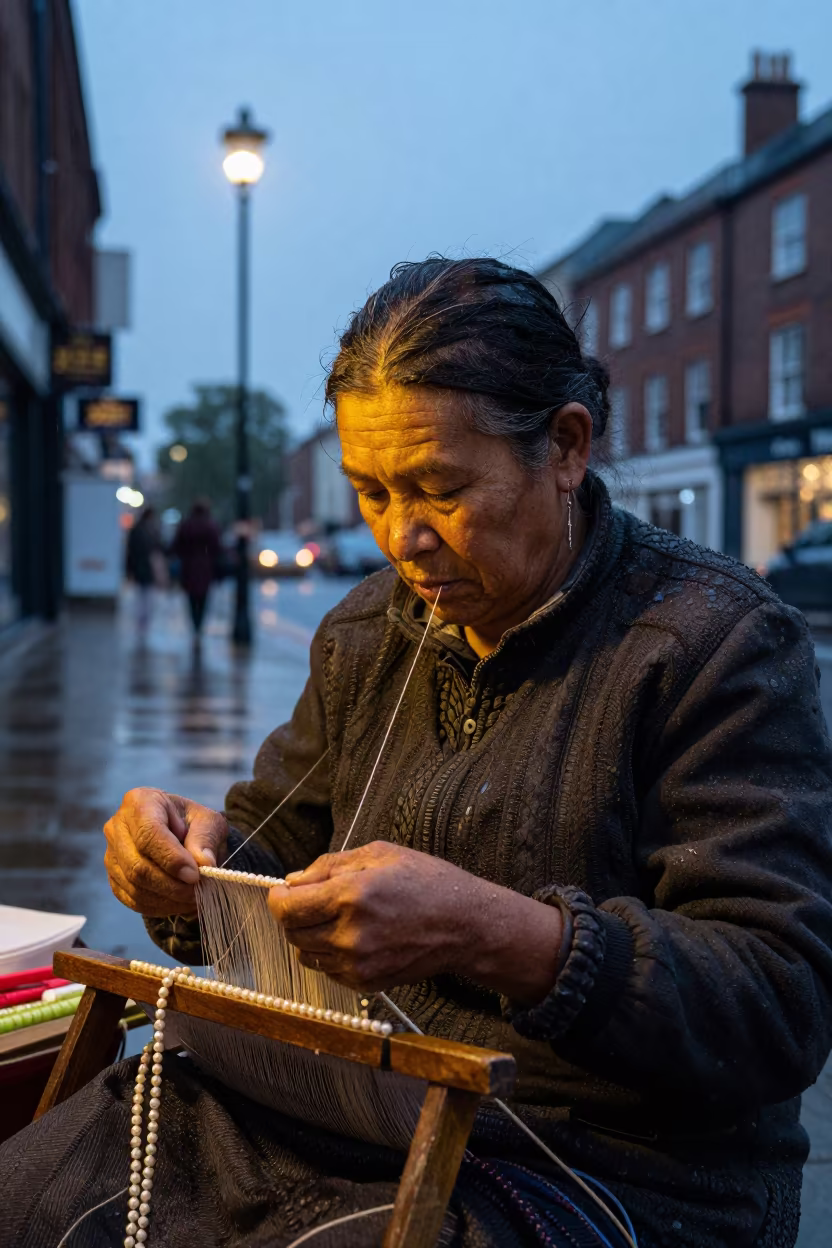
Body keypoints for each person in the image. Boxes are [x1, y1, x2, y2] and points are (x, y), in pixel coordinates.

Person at [2, 257, 832, 1248]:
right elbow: (272, 852)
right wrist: (193, 870)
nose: (403, 538)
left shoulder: (714, 643)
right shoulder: (367, 633)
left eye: (439, 489)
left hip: (613, 1168)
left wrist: (502, 936)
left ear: (565, 446)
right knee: (45, 1180)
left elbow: (780, 1000)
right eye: (369, 493)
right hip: (353, 1108)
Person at [172, 499, 222, 641]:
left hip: (189, 568)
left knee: (192, 600)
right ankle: (199, 627)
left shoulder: (187, 525)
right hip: (206, 569)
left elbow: (177, 546)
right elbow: (217, 548)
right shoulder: (210, 526)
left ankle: (195, 627)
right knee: (203, 599)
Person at [125, 506, 164, 635]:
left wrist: (129, 569)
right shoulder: (152, 531)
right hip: (147, 567)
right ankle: (144, 620)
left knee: (141, 594)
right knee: (146, 595)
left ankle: (141, 620)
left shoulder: (137, 529)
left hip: (139, 567)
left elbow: (129, 551)